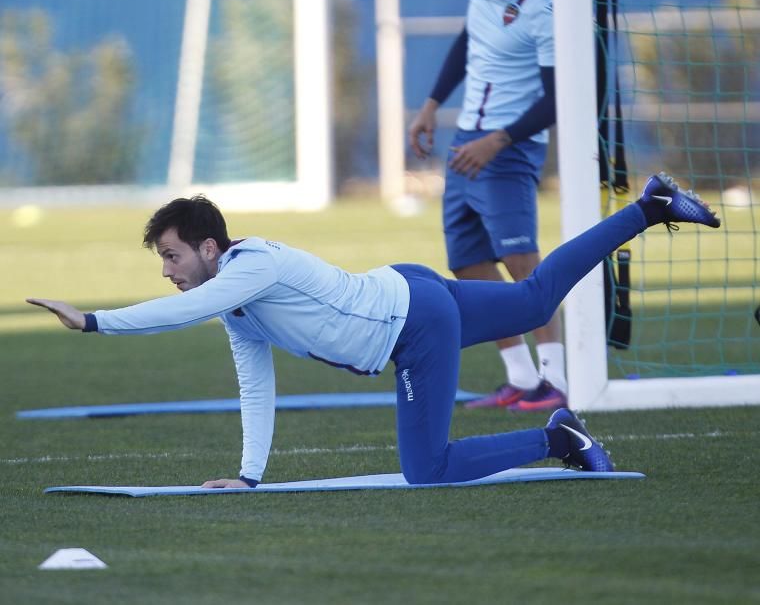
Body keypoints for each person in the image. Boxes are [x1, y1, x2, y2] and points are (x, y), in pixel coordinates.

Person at [27, 173, 720, 488]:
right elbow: (254, 385)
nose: (168, 272)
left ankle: (556, 437)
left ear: (210, 249)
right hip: (407, 291)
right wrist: (248, 476)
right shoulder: (237, 303)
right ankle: (651, 206)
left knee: (429, 472)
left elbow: (177, 312)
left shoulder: (249, 266)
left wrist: (92, 321)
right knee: (536, 301)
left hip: (413, 323)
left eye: (173, 256)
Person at [409, 0, 563, 411]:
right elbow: (467, 39)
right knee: (468, 261)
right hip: (466, 144)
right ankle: (521, 380)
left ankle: (555, 380)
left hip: (508, 147)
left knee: (522, 264)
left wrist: (498, 141)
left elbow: (559, 97)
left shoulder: (549, 4)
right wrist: (432, 103)